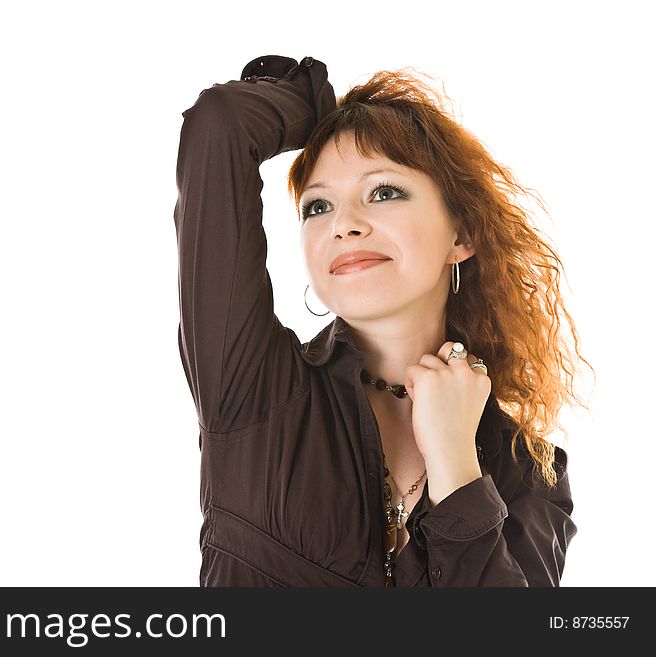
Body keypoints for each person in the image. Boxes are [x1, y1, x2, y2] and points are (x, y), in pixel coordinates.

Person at [172, 55, 588, 586]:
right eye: (317, 207)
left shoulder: (527, 471)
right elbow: (221, 124)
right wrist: (322, 107)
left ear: (461, 236)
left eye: (384, 192)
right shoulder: (252, 387)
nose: (344, 224)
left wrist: (456, 466)